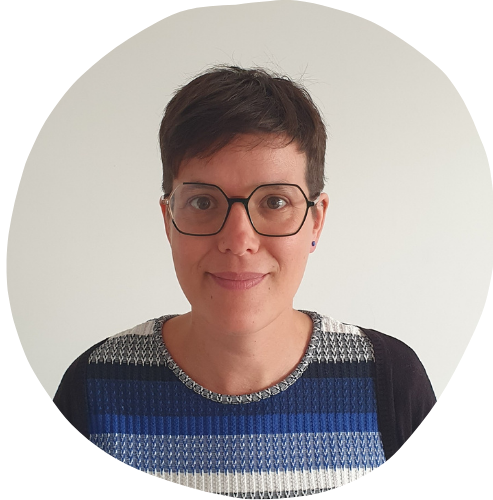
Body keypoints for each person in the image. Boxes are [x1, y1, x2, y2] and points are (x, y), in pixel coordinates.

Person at [53, 66, 436, 496]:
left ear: (316, 221)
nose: (239, 241)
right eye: (203, 202)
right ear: (168, 220)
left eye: (275, 202)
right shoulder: (92, 387)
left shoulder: (390, 381)